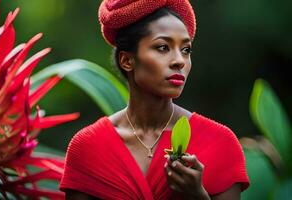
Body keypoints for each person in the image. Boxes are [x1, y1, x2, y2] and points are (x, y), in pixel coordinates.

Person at [60, 0, 250, 199]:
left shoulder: (219, 143)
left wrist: (197, 196)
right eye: (162, 47)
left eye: (186, 50)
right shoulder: (88, 147)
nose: (179, 61)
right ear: (127, 60)